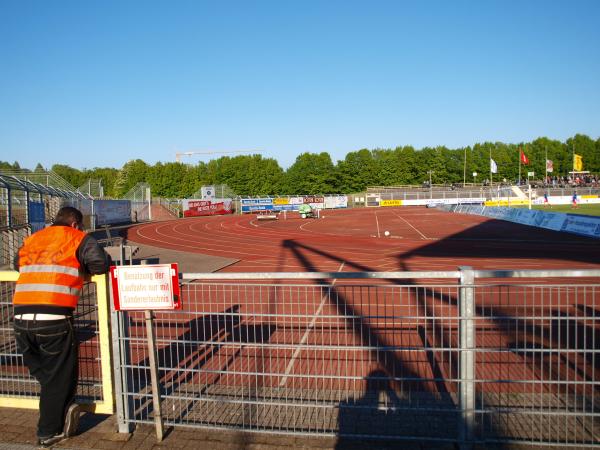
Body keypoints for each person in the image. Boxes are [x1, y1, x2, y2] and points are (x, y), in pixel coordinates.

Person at [12, 206, 110, 447]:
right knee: (59, 377)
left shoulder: (33, 238)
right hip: (54, 317)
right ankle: (49, 431)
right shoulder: (78, 238)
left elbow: (18, 265)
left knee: (46, 375)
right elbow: (99, 265)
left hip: (21, 318)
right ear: (75, 224)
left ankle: (62, 410)